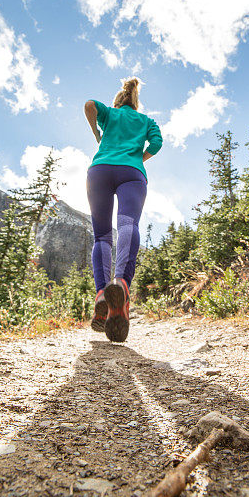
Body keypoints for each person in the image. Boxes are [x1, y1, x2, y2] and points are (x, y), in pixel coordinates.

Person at [84, 78, 162, 342]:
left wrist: (97, 133)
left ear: (118, 101)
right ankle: (121, 284)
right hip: (132, 174)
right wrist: (139, 158)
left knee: (102, 237)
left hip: (100, 171)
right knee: (128, 225)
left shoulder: (111, 114)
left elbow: (90, 105)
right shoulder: (146, 122)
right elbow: (158, 144)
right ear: (135, 103)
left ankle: (102, 294)